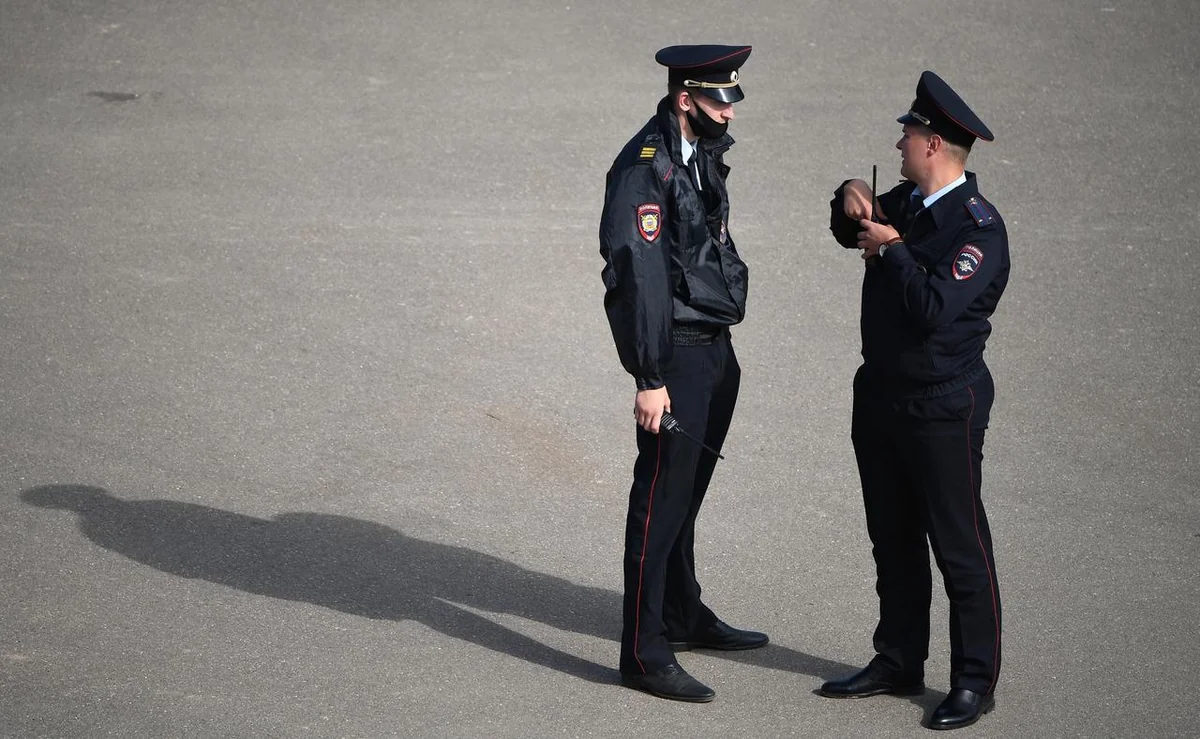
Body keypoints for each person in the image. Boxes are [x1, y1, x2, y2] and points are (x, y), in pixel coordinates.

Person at [819, 71, 1010, 731]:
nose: (899, 140)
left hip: (941, 405)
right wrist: (849, 198)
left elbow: (932, 307)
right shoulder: (906, 203)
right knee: (892, 537)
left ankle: (974, 681)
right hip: (881, 399)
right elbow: (855, 230)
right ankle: (897, 657)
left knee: (958, 543)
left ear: (933, 144)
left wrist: (894, 251)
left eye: (908, 132)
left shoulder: (979, 232)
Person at [598, 44, 767, 703]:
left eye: (730, 97)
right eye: (718, 98)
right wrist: (648, 375)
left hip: (713, 346)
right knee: (658, 503)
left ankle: (681, 608)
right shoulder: (646, 168)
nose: (729, 109)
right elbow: (635, 278)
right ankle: (642, 651)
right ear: (684, 99)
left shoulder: (698, 151)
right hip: (674, 354)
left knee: (686, 492)